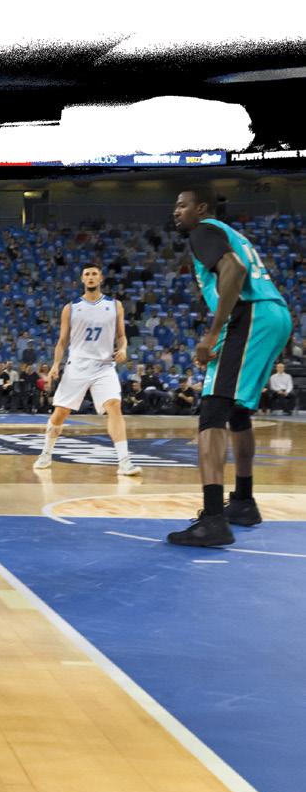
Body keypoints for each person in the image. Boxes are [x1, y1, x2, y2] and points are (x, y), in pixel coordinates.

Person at [167, 188, 292, 547]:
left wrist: (212, 334)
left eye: (182, 205)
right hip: (274, 315)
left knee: (212, 410)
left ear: (202, 208)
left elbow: (234, 270)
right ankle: (243, 502)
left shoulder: (203, 230)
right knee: (237, 411)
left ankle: (213, 520)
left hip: (251, 314)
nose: (176, 211)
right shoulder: (229, 233)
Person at [34, 263, 141, 475]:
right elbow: (62, 341)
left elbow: (121, 336)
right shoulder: (71, 308)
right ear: (82, 279)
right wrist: (55, 364)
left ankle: (124, 461)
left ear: (100, 278)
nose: (90, 277)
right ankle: (46, 452)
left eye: (94, 274)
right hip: (77, 365)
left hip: (104, 366)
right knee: (61, 413)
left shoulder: (115, 305)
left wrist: (123, 349)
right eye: (87, 274)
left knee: (114, 406)